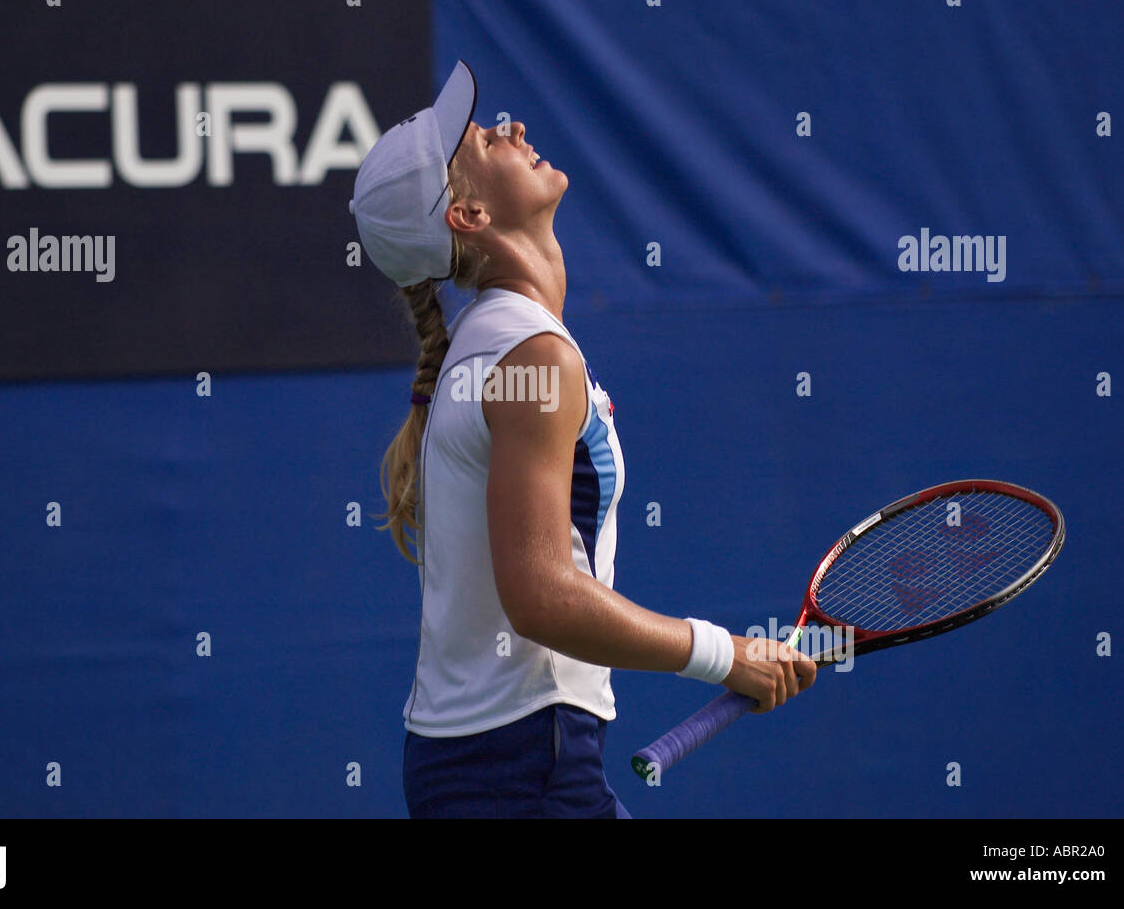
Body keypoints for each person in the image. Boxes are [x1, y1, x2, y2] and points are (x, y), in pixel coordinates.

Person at [349, 60, 815, 818]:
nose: (513, 128)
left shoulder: (499, 343)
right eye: (483, 141)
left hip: (496, 763)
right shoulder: (531, 356)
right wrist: (724, 654)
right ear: (466, 215)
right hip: (521, 765)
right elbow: (539, 597)